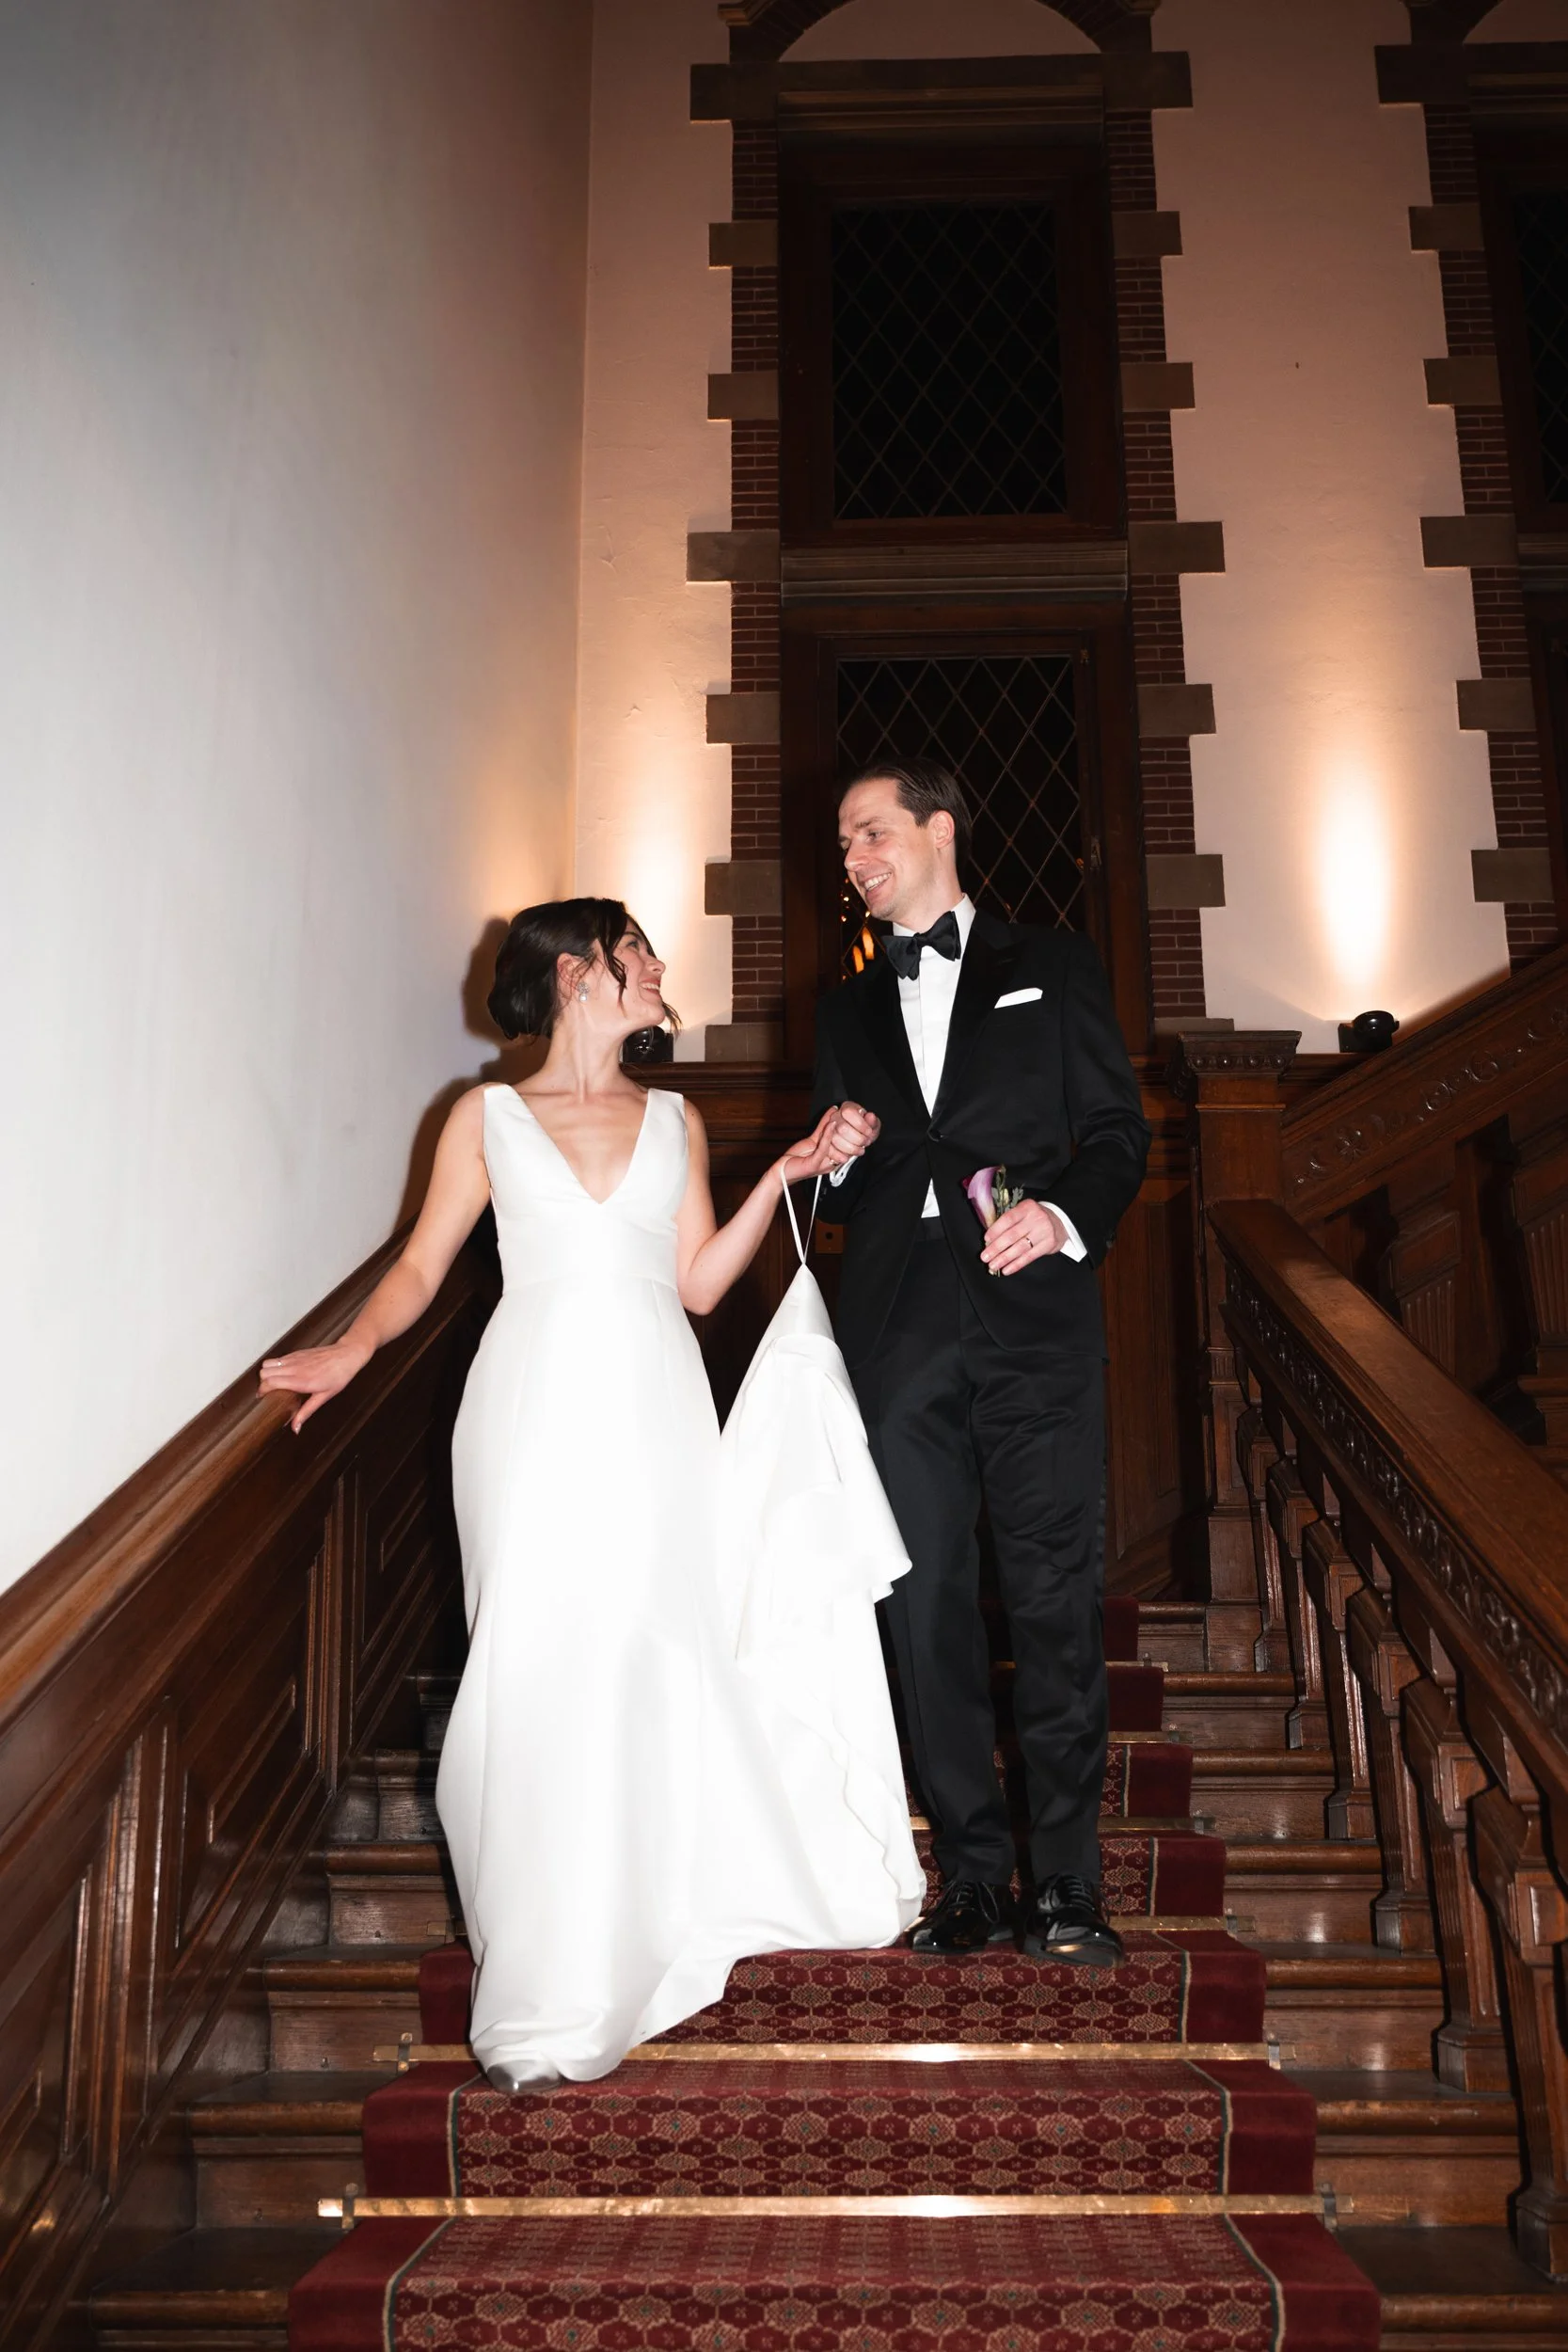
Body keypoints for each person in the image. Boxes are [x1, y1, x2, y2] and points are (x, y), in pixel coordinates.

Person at [261, 899, 922, 2090]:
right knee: (537, 1654)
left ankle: (652, 1906)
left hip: (657, 1407)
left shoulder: (678, 1115)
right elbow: (420, 1261)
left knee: (655, 1647)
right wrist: (352, 1349)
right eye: (640, 953)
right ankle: (554, 1959)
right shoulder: (485, 1118)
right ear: (578, 973)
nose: (661, 968)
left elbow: (701, 1285)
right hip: (526, 1410)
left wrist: (783, 1171)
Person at [814, 760, 1151, 1966]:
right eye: (843, 842)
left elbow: (1116, 1133)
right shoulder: (842, 1005)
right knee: (924, 1602)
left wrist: (1059, 1217)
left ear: (937, 827)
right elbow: (836, 1168)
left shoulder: (1051, 964)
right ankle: (968, 1873)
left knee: (1053, 1596)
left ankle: (1064, 1880)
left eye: (870, 832)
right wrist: (834, 1150)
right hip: (896, 1335)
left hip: (1032, 1325)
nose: (851, 857)